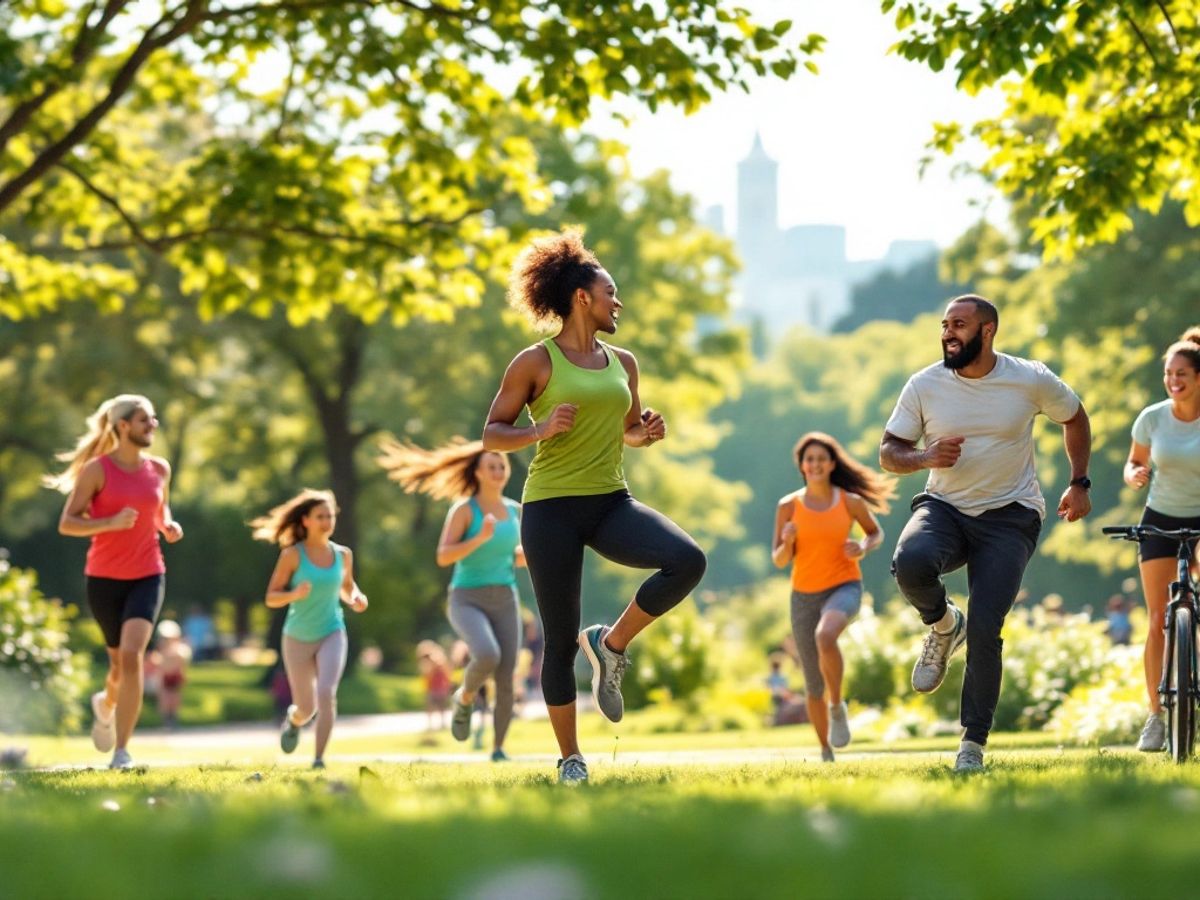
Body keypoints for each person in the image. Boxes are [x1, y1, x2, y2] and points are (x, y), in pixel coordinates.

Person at [483, 229, 707, 784]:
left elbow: (627, 431)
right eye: (611, 293)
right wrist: (538, 429)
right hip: (551, 508)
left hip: (610, 500)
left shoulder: (622, 363)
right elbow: (491, 433)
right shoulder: (534, 362)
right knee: (558, 639)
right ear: (582, 297)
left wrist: (644, 432)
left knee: (687, 560)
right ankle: (571, 759)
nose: (618, 304)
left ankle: (611, 645)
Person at [880, 295, 1092, 772]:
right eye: (944, 325)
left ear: (988, 330)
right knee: (910, 562)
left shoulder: (1028, 378)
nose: (948, 333)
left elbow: (1075, 416)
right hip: (946, 507)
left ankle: (972, 746)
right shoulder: (925, 385)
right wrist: (924, 458)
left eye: (959, 325)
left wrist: (1079, 482)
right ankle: (941, 623)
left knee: (986, 628)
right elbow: (890, 452)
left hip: (1010, 516)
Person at [49, 394, 184, 769]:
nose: (152, 425)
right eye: (145, 420)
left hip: (148, 573)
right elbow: (68, 522)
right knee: (117, 668)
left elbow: (158, 509)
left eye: (153, 419)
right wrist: (108, 523)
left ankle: (122, 751)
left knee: (132, 655)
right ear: (123, 425)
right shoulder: (97, 470)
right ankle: (105, 704)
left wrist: (166, 525)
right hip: (105, 578)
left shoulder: (159, 468)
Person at [380, 439, 525, 762]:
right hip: (466, 598)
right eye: (492, 466)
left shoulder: (515, 510)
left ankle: (498, 749)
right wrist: (479, 538)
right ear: (478, 472)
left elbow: (512, 556)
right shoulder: (464, 510)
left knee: (506, 676)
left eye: (502, 466)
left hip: (505, 597)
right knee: (487, 654)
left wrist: (532, 557)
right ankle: (465, 697)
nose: (499, 471)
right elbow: (444, 556)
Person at [771, 431, 895, 761]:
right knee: (812, 683)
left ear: (831, 464)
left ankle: (837, 704)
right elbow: (780, 560)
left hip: (844, 585)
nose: (815, 464)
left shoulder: (848, 501)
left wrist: (863, 547)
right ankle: (826, 750)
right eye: (809, 459)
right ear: (802, 465)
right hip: (803, 596)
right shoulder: (788, 506)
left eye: (820, 459)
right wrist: (787, 540)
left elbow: (875, 532)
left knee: (826, 635)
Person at [251, 489, 368, 769]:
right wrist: (294, 595)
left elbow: (347, 586)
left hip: (332, 630)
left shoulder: (343, 554)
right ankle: (293, 721)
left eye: (330, 516)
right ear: (305, 521)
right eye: (320, 516)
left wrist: (355, 598)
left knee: (327, 692)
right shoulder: (293, 555)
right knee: (307, 707)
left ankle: (318, 759)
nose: (327, 521)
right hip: (297, 637)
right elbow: (271, 597)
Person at [1124, 326, 1200, 752]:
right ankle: (1155, 716)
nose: (1174, 381)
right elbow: (1135, 461)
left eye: (1182, 374)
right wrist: (1134, 473)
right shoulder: (1152, 418)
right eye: (1169, 374)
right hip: (1159, 519)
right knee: (1158, 620)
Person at [152, 619, 190, 729]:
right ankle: (166, 720)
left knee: (175, 699)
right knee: (165, 699)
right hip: (165, 677)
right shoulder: (160, 651)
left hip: (175, 677)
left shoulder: (179, 650)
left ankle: (174, 720)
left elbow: (181, 663)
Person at [417, 639, 453, 732]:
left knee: (442, 706)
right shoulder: (425, 662)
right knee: (430, 706)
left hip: (440, 687)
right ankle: (430, 724)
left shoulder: (440, 661)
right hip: (431, 687)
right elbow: (427, 674)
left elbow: (447, 672)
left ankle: (442, 723)